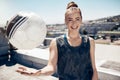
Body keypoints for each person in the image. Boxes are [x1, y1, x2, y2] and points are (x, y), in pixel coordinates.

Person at [16, 1, 98, 80]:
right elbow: (51, 67)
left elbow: (94, 69)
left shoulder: (89, 42)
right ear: (65, 21)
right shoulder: (56, 42)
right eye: (70, 20)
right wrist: (38, 72)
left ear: (81, 20)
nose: (74, 23)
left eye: (77, 19)